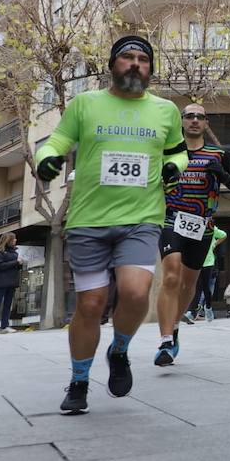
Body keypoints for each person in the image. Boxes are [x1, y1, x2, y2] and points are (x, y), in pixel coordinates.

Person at [34, 35, 187, 414]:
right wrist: (47, 159)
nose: (135, 64)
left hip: (141, 217)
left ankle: (119, 350)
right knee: (90, 304)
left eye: (142, 59)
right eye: (127, 58)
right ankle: (79, 380)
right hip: (88, 221)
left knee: (136, 293)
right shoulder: (86, 105)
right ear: (112, 64)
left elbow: (179, 151)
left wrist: (173, 167)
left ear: (151, 69)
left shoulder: (166, 110)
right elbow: (56, 141)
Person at [156, 103, 230, 364]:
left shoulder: (219, 154)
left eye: (200, 117)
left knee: (187, 284)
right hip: (170, 220)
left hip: (201, 225)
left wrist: (222, 174)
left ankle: (173, 328)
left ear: (206, 123)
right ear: (181, 121)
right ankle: (164, 341)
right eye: (189, 116)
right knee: (171, 275)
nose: (194, 120)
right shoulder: (167, 152)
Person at [0, 233, 22, 334]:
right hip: (1, 282)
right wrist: (16, 262)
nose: (15, 240)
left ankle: (5, 325)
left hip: (11, 281)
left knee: (8, 304)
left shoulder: (14, 252)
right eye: (14, 239)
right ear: (8, 240)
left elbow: (14, 266)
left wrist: (19, 264)